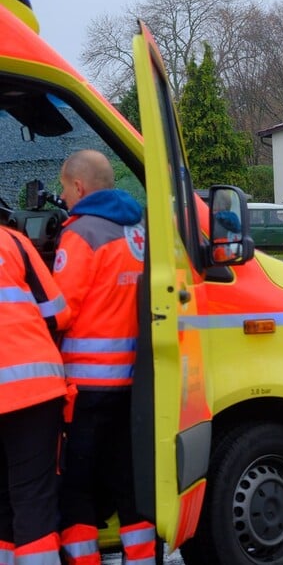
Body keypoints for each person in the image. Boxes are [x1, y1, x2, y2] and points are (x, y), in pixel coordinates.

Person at [53, 150, 155, 565]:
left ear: (78, 186)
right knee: (128, 482)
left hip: (85, 389)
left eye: (64, 188)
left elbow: (62, 309)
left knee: (76, 486)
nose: (64, 196)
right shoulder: (140, 231)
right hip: (133, 385)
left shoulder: (81, 233)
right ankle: (143, 558)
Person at [0, 224, 71, 565]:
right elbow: (58, 313)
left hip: (26, 389)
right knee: (32, 497)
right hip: (31, 388)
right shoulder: (12, 241)